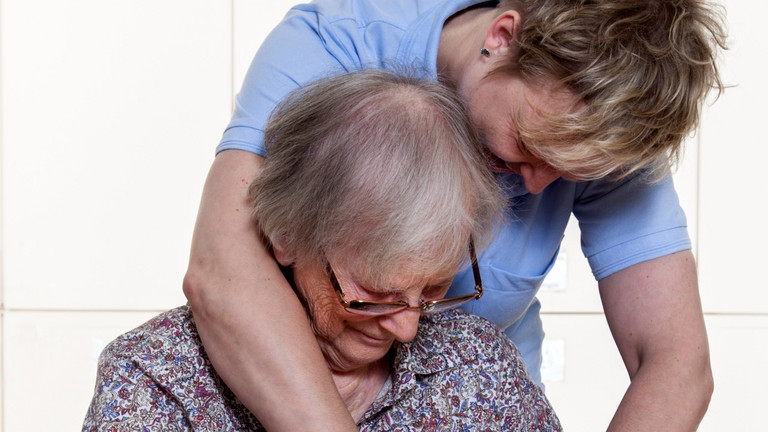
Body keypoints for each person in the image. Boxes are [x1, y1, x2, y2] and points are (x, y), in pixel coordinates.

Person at [183, 0, 727, 430]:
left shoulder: (601, 131)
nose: (536, 184)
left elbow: (676, 362)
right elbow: (224, 273)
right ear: (502, 37)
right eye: (531, 146)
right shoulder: (334, 42)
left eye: (570, 172)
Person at [82, 69, 562, 431]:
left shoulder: (480, 368)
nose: (409, 327)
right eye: (378, 292)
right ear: (288, 235)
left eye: (434, 289)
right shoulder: (156, 378)